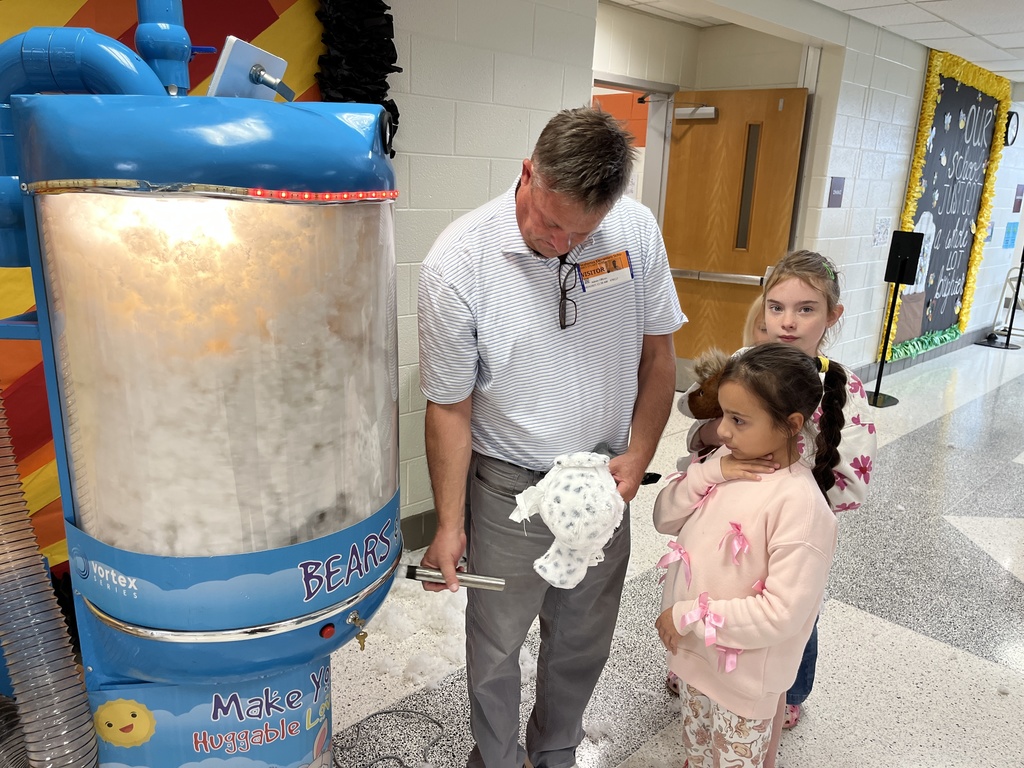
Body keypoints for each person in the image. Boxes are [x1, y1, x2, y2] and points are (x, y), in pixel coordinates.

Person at [416, 106, 685, 768]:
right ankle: (498, 757)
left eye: (580, 232)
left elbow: (659, 356)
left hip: (602, 482)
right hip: (510, 487)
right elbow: (448, 406)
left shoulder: (634, 232)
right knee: (495, 644)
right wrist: (449, 525)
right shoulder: (458, 262)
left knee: (582, 639)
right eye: (549, 222)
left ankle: (557, 747)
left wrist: (641, 453)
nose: (560, 242)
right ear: (529, 172)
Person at [675, 250, 877, 740]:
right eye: (777, 307)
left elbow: (854, 480)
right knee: (717, 585)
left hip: (787, 527)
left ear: (832, 316)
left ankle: (790, 689)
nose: (788, 322)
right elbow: (701, 427)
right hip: (728, 515)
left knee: (790, 609)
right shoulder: (745, 363)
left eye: (806, 309)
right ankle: (701, 653)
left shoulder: (841, 386)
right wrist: (711, 445)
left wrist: (789, 484)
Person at [654, 342, 845, 767]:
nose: (721, 431)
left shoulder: (800, 507)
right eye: (722, 415)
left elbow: (781, 612)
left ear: (791, 424)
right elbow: (664, 518)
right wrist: (709, 472)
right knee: (697, 756)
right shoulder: (727, 458)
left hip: (744, 684)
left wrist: (690, 616)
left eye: (738, 420)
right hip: (694, 661)